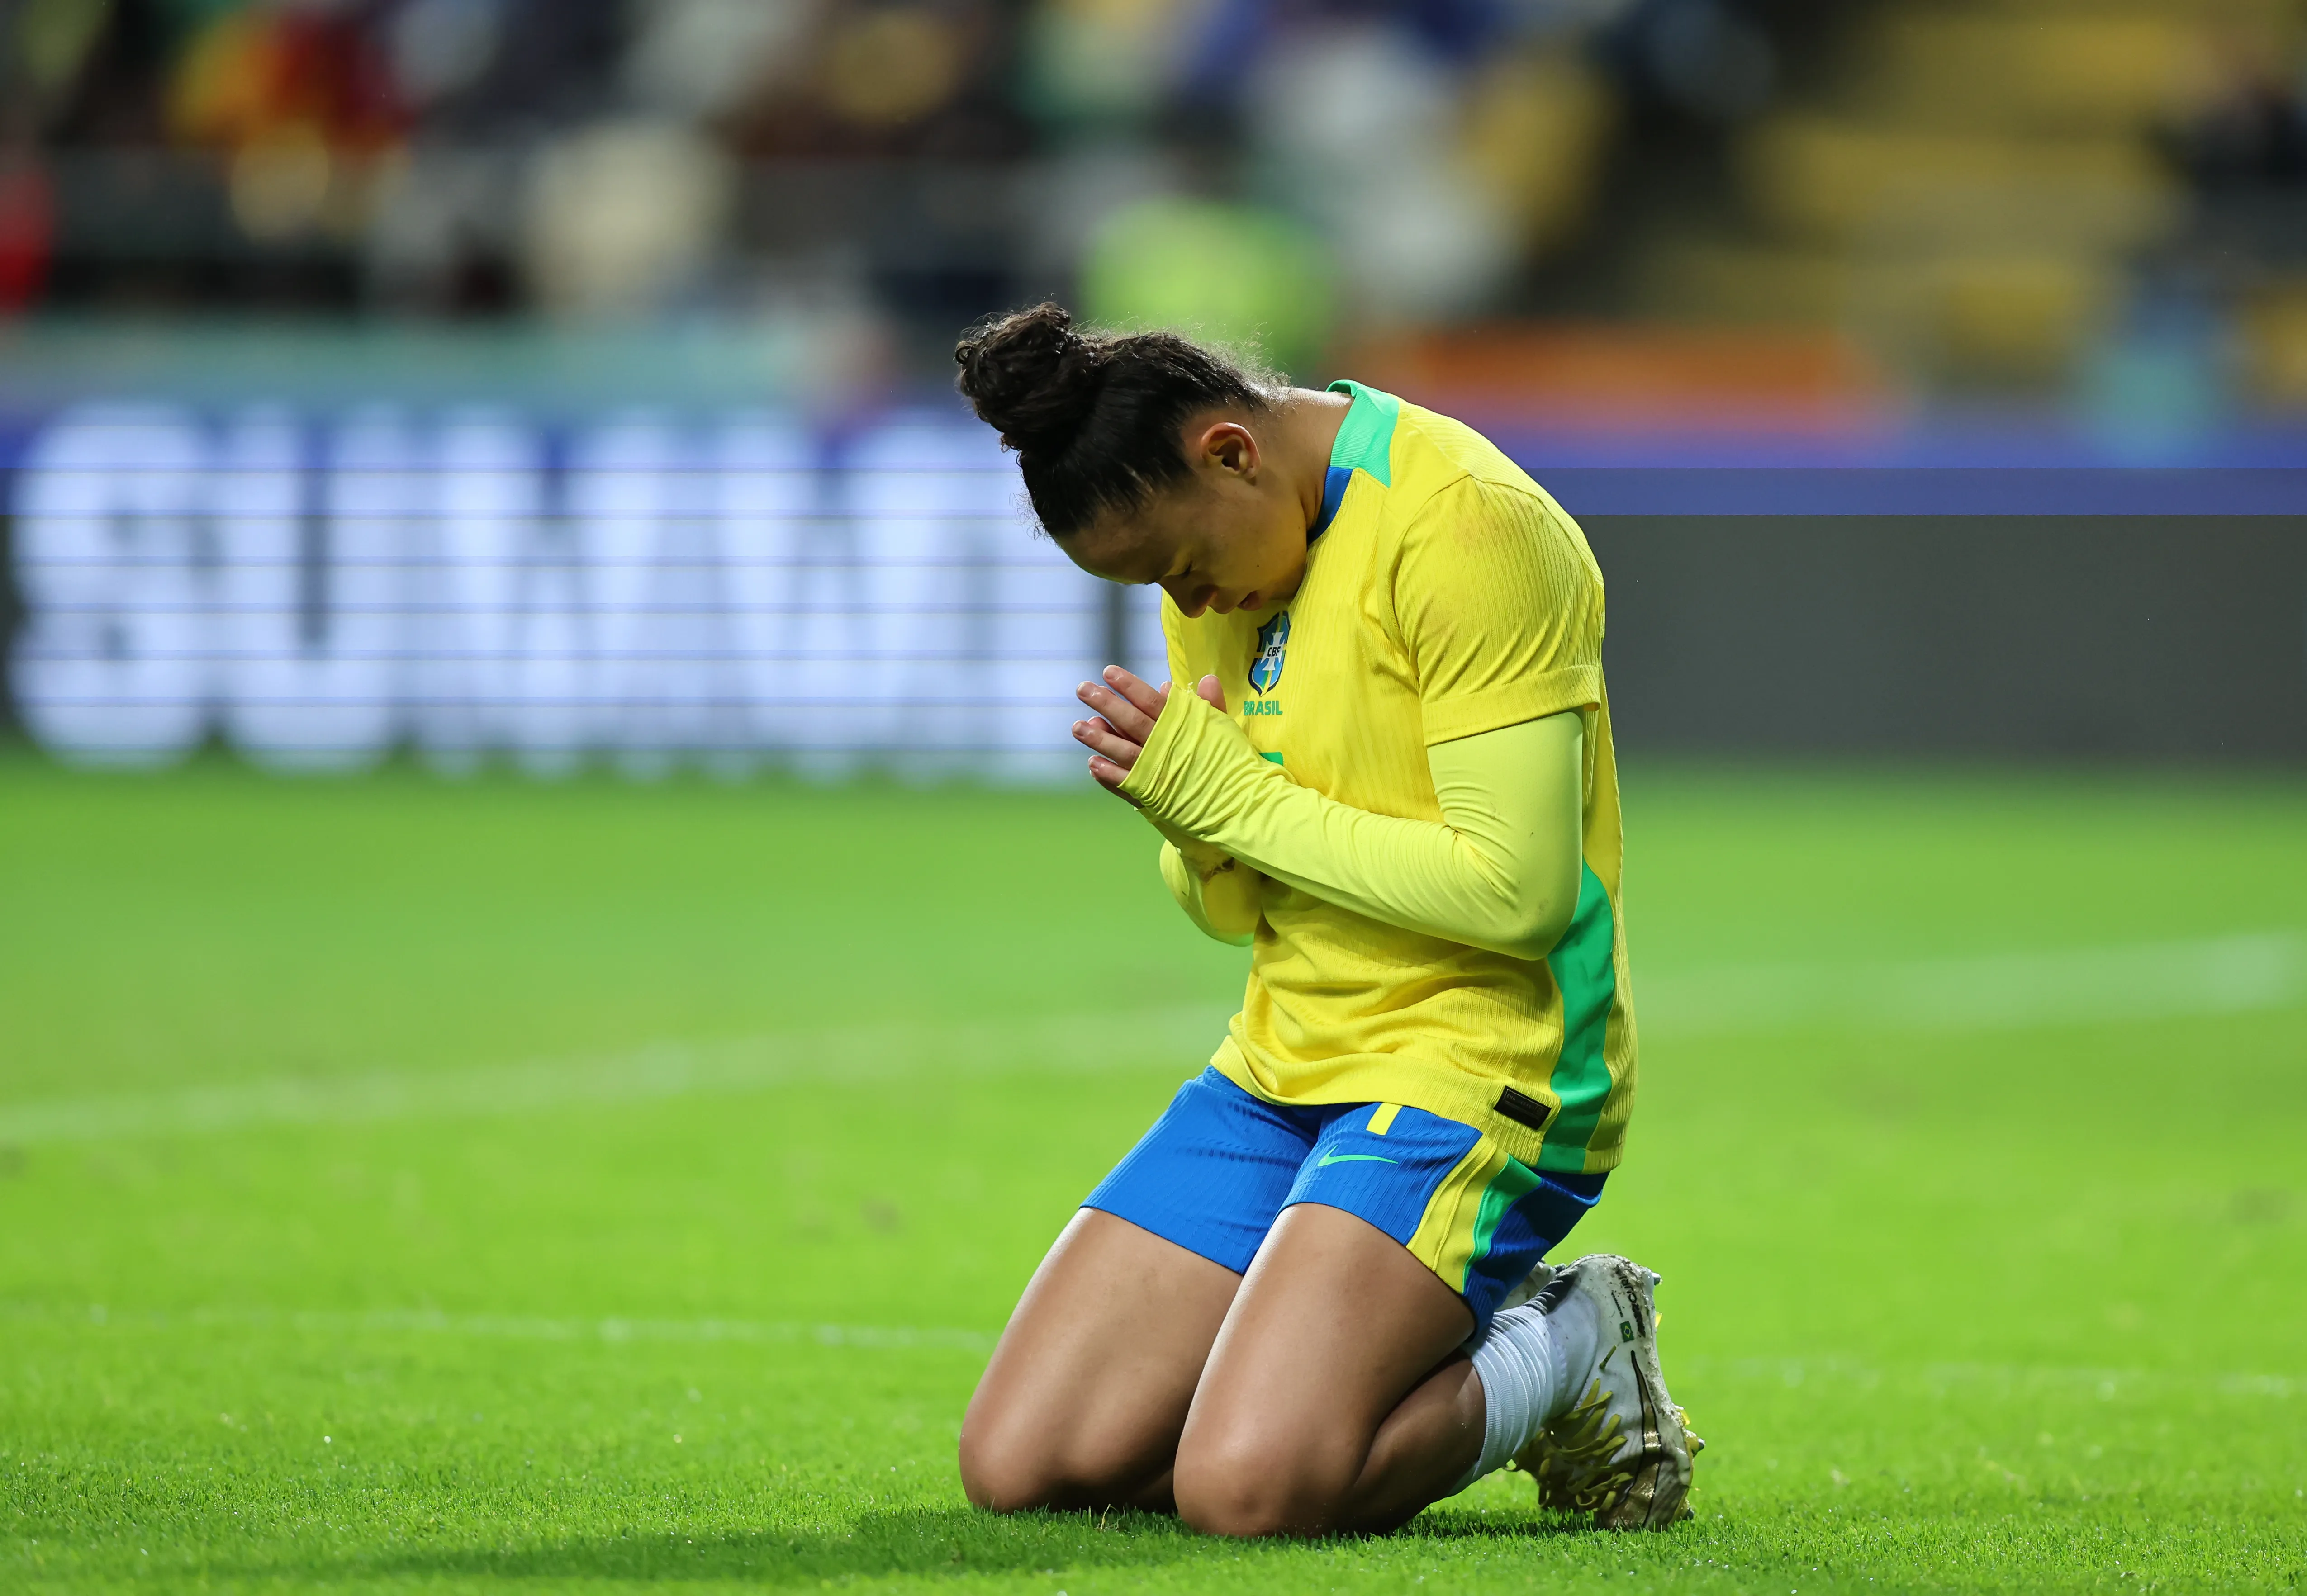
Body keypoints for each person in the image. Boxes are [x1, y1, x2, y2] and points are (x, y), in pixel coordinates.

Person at [949, 303, 1701, 1538]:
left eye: (1180, 565)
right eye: (1155, 585)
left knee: (1249, 1490)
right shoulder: (1226, 553)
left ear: (1230, 452)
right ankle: (1313, 1378)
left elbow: (1516, 894)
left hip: (1484, 1064)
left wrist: (1232, 803)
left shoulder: (1467, 525)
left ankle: (1568, 1348)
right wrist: (1197, 831)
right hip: (1283, 1063)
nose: (1186, 596)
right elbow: (1229, 906)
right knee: (1024, 1466)